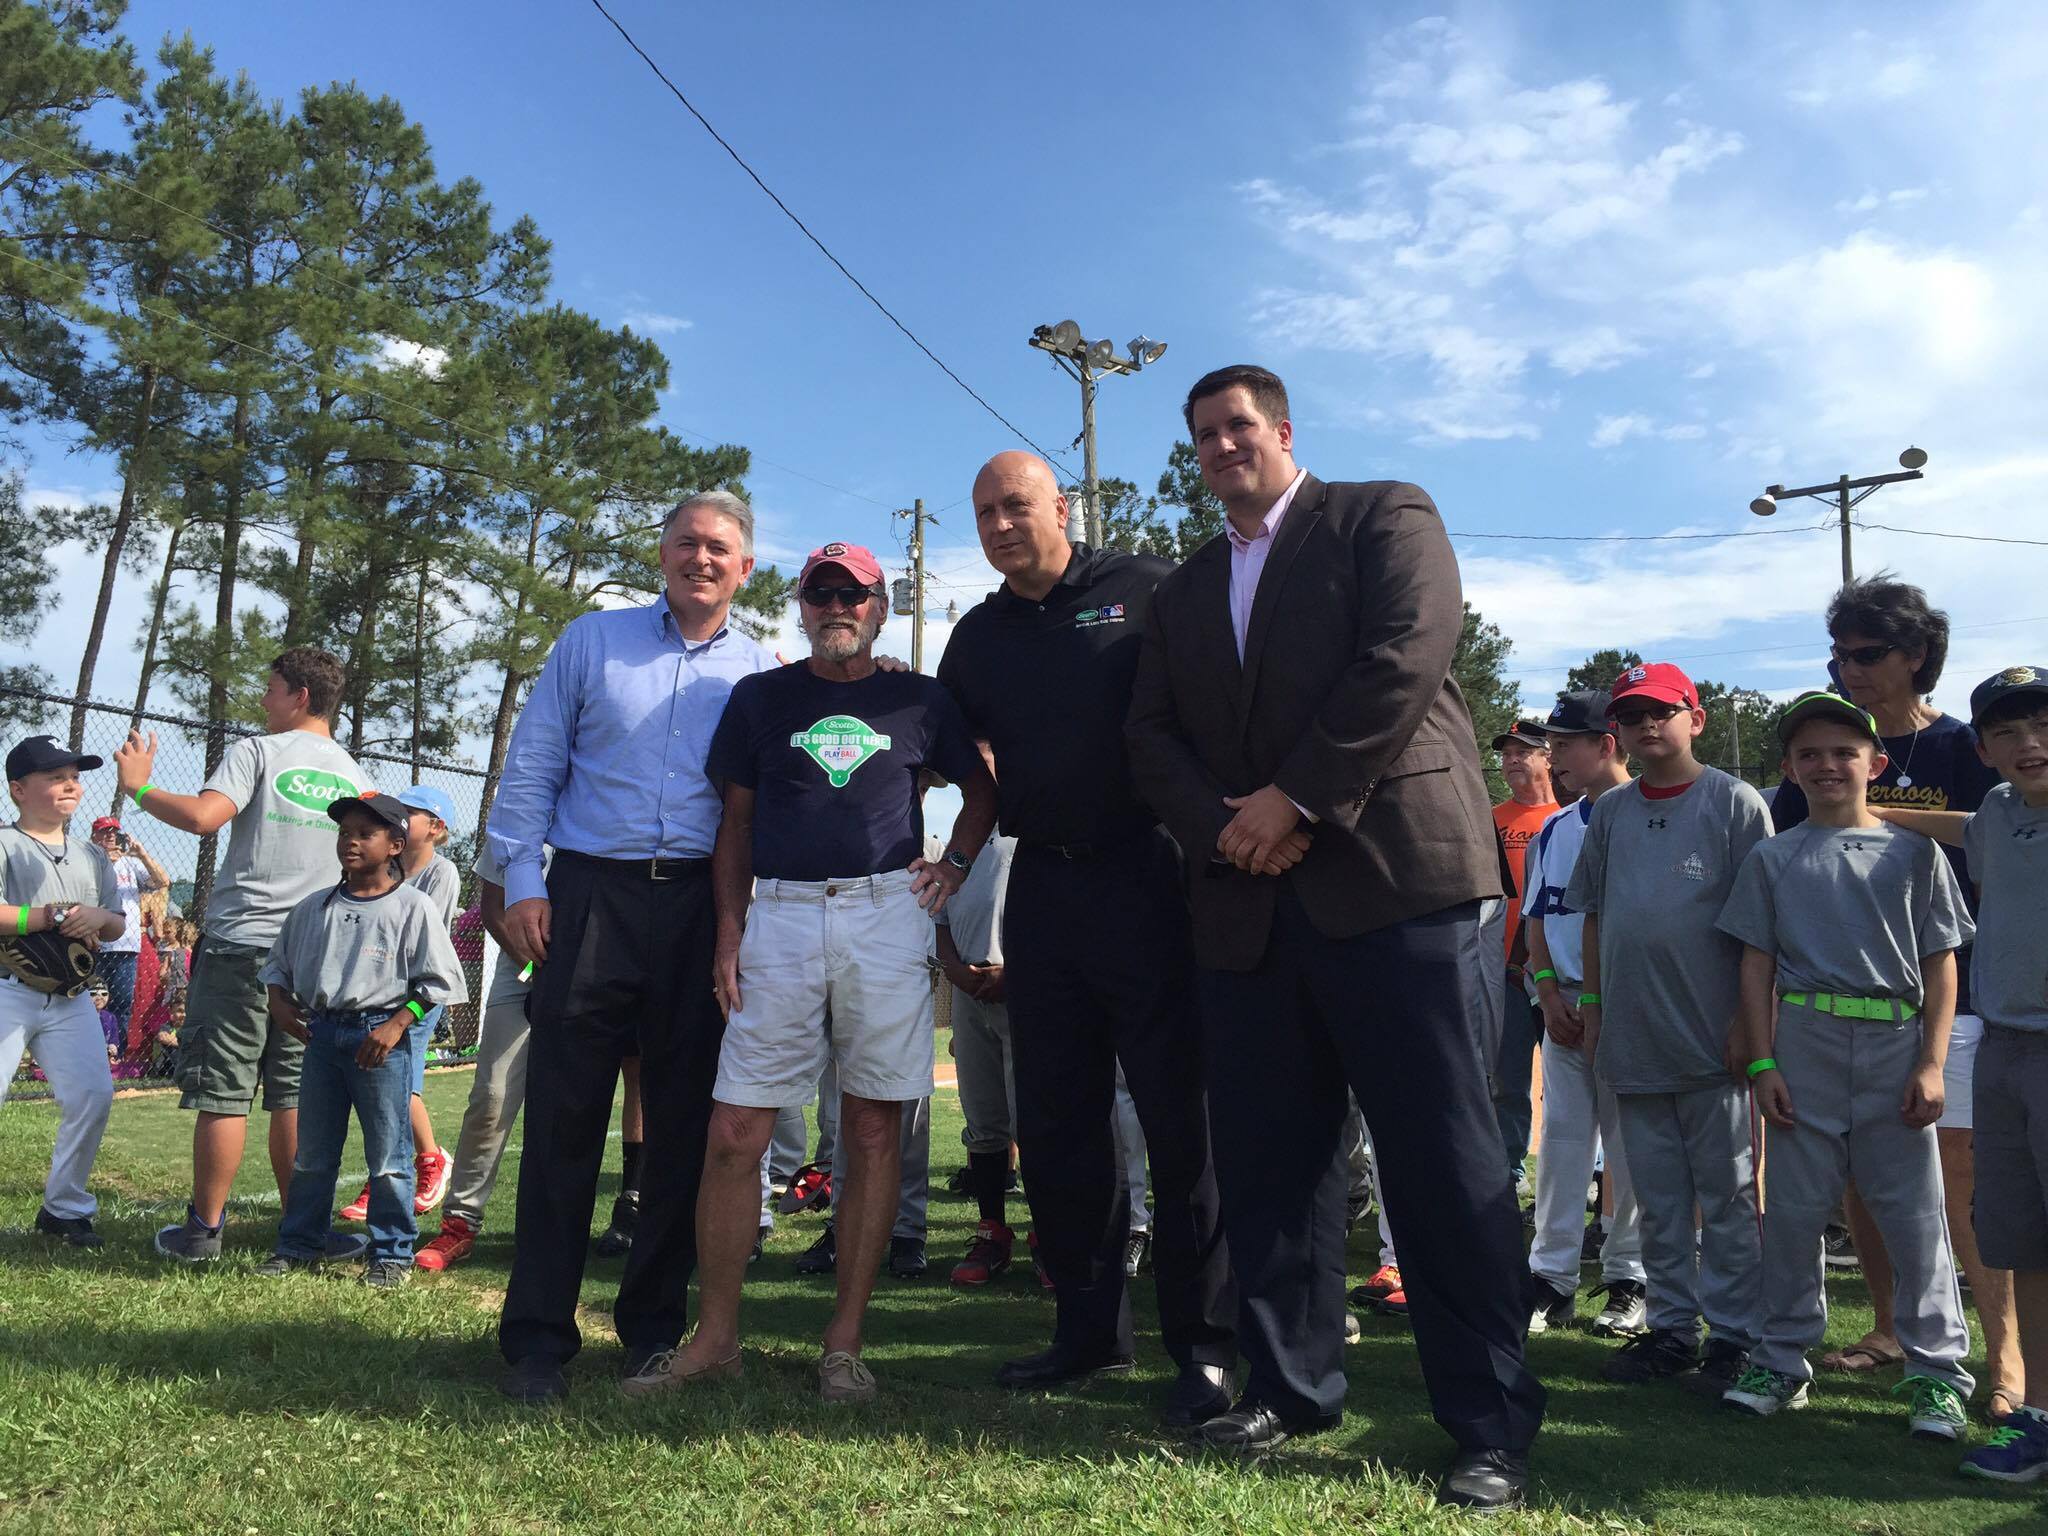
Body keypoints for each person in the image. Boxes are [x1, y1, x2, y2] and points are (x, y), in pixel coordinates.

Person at [1124, 364, 1541, 1510]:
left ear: (1282, 429)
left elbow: (1405, 654)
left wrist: (1291, 800)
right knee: (1271, 1167)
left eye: (1237, 426)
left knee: (1441, 1164)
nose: (1221, 446)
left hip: (1398, 884)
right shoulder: (1182, 588)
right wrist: (1227, 827)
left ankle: (1487, 1425)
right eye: (1203, 434)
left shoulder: (1381, 515)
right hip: (1248, 905)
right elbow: (1149, 735)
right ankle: (1290, 1388)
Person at [623, 540, 996, 1405]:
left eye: (853, 594)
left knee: (871, 1130)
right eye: (821, 593)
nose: (837, 607)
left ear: (881, 609)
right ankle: (715, 1339)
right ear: (800, 606)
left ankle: (844, 1344)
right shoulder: (762, 697)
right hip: (780, 914)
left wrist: (954, 868)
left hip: (885, 909)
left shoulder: (918, 698)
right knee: (735, 1130)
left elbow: (981, 791)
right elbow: (735, 825)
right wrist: (729, 930)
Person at [938, 450, 1239, 1432]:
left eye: (1015, 506)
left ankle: (1205, 1346)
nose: (999, 526)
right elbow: (945, 752)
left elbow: (1226, 700)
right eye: (984, 514)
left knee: (1179, 1121)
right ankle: (1086, 1330)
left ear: (1060, 507)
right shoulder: (976, 637)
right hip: (1044, 886)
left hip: (1149, 875)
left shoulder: (1148, 589)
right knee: (1060, 1123)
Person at [488, 490, 778, 1405]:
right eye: (687, 542)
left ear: (745, 569)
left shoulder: (762, 672)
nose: (702, 559)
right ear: (662, 553)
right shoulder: (593, 641)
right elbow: (534, 764)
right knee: (563, 1120)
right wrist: (523, 879)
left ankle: (652, 1331)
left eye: (720, 548)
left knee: (684, 1131)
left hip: (701, 905)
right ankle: (538, 1340)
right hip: (588, 896)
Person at [1773, 578, 2016, 1412]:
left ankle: (2005, 1357)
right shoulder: (1827, 746)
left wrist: (1885, 815)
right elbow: (1794, 848)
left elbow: (2002, 836)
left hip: (1960, 991)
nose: (1850, 669)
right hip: (1840, 1008)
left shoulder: (1964, 748)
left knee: (1958, 1176)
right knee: (1862, 1177)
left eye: (1868, 653)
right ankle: (1888, 1328)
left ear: (1916, 655)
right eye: (1839, 655)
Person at [1714, 691, 1972, 1439]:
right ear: (1790, 768)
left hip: (1895, 1041)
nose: (1827, 765)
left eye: (1843, 752)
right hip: (1805, 1039)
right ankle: (1781, 1358)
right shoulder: (1774, 856)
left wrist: (1932, 1062)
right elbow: (1756, 964)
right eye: (1809, 755)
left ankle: (1938, 1374)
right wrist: (1764, 1060)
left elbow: (1942, 962)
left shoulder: (1914, 852)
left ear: (1875, 763)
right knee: (1796, 1215)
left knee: (1914, 1216)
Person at [114, 647, 367, 1263]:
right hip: (316, 954)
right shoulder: (355, 775)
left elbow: (205, 818)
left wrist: (139, 786)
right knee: (294, 1094)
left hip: (241, 946)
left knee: (224, 1092)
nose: (263, 699)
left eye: (271, 688)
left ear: (299, 696)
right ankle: (304, 1231)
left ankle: (203, 1232)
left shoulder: (258, 751)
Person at [1566, 662, 1770, 1394]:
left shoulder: (1735, 802)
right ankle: (1673, 1329)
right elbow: (1594, 915)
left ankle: (1736, 1336)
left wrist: (1750, 1024)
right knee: (1656, 1199)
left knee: (1728, 1196)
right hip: (1634, 1034)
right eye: (1631, 714)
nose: (1647, 724)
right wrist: (1594, 1006)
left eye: (1662, 710)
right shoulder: (1613, 811)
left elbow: (1763, 931)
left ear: (1696, 718)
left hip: (1714, 1038)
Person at [1876, 666, 2048, 1478]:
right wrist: (1865, 806)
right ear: (1983, 751)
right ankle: (2038, 1414)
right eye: (2007, 732)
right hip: (2006, 1046)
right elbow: (1955, 825)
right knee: (2024, 1240)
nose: (2029, 743)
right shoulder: (1999, 815)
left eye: (2041, 725)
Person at [254, 794, 465, 1287]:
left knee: (389, 1156)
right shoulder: (316, 907)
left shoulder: (411, 907)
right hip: (323, 1035)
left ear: (395, 845)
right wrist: (278, 1000)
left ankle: (391, 1253)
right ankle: (299, 1245)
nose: (350, 841)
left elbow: (438, 984)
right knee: (312, 1154)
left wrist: (396, 1025)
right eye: (344, 832)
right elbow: (278, 965)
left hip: (381, 1040)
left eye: (365, 833)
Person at [1521, 691, 1647, 1339]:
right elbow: (1537, 920)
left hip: (1634, 1008)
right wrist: (1548, 994)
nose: (1553, 757)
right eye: (1551, 745)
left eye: (1565, 744)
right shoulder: (1554, 827)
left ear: (1607, 744)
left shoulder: (1651, 816)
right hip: (1565, 1007)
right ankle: (1551, 1279)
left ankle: (1629, 1279)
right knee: (1563, 1146)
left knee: (1631, 1151)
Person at [1, 735, 125, 1246]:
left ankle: (64, 1209)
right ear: (18, 790)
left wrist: (97, 917)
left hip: (71, 997)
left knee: (93, 1095)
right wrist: (48, 916)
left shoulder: (92, 855)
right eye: (54, 776)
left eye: (74, 776)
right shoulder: (5, 844)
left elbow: (116, 923)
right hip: (7, 990)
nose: (70, 784)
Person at [413, 837, 544, 1270]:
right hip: (521, 967)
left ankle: (553, 1230)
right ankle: (460, 1223)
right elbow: (492, 907)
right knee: (492, 1094)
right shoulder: (518, 816)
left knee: (570, 1102)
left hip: (593, 965)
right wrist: (530, 963)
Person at [339, 784, 460, 1225]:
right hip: (380, 990)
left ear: (436, 827)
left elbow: (421, 936)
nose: (402, 820)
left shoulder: (442, 873)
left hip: (418, 995)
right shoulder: (385, 867)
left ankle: (429, 1162)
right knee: (381, 1081)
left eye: (412, 814)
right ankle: (390, 1171)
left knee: (400, 1081)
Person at [936, 805, 1020, 1286]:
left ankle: (1051, 1236)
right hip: (969, 986)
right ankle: (992, 1232)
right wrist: (953, 969)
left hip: (1025, 987)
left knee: (1036, 1118)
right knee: (984, 1120)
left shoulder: (1030, 823)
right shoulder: (961, 833)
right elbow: (940, 915)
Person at [1490, 721, 1559, 1194]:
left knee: (1568, 1085)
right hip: (1505, 972)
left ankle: (1580, 1174)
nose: (1512, 759)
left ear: (1549, 758)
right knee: (1507, 1082)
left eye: (1524, 751)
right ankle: (1509, 1173)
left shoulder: (1567, 817)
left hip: (1560, 971)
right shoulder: (1491, 819)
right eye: (1507, 753)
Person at [88, 816, 167, 1037]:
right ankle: (91, 1048)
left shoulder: (131, 863)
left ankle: (117, 1050)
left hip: (126, 945)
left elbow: (162, 881)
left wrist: (141, 854)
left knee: (122, 1004)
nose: (110, 835)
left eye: (114, 831)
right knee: (90, 1001)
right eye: (105, 831)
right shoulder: (88, 861)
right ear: (94, 836)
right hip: (95, 944)